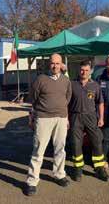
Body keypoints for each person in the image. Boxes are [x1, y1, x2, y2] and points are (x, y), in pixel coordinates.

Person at [25, 53, 72, 196]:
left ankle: (59, 174)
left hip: (61, 119)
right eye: (52, 63)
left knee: (60, 149)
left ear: (61, 64)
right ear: (48, 64)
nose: (55, 66)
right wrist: (31, 117)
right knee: (38, 150)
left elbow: (67, 99)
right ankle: (32, 181)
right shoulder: (40, 80)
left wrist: (66, 118)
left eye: (58, 63)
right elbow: (32, 99)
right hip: (44, 118)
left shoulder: (66, 81)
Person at [68, 59, 109, 182]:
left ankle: (99, 168)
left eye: (86, 70)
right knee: (76, 144)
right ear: (78, 70)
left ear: (90, 71)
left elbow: (100, 103)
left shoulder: (95, 85)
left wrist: (101, 118)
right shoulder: (72, 84)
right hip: (76, 117)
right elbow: (66, 103)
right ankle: (78, 169)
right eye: (82, 70)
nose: (84, 72)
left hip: (91, 117)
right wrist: (66, 119)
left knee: (97, 140)